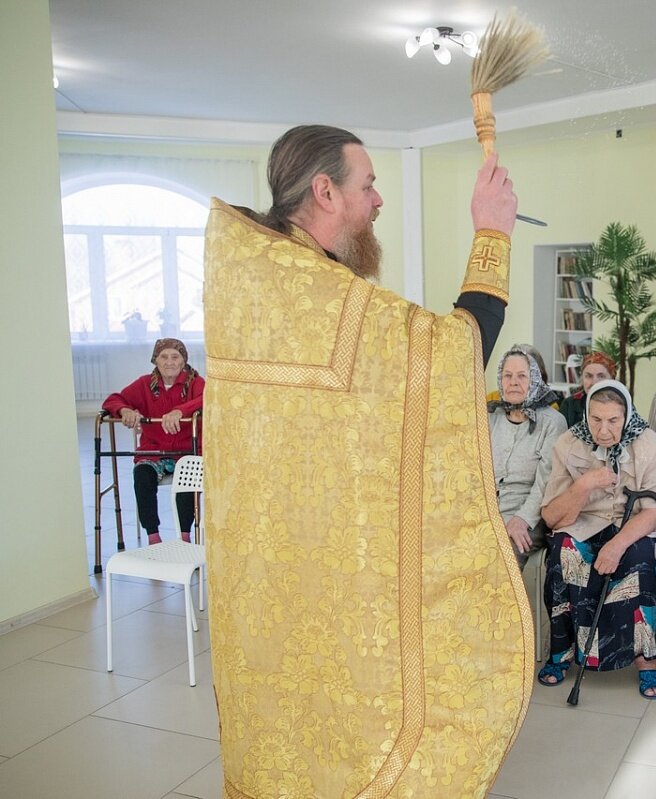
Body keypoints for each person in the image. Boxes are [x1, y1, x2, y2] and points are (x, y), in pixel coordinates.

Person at [202, 125, 529, 797]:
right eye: (369, 184)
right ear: (325, 190)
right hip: (313, 564)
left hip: (273, 572)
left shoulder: (252, 284)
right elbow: (452, 355)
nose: (378, 200)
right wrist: (491, 234)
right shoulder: (320, 295)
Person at [539, 380, 656, 698]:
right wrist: (582, 486)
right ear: (586, 415)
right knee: (563, 551)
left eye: (613, 420)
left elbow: (654, 510)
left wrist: (616, 545)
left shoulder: (649, 444)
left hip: (634, 525)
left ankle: (645, 661)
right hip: (584, 523)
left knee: (640, 561)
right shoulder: (567, 444)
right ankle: (562, 654)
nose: (604, 429)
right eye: (596, 419)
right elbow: (551, 517)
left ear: (626, 416)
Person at [102, 338, 204, 545]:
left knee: (186, 478)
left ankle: (184, 538)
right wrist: (125, 410)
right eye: (163, 357)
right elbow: (113, 399)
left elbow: (209, 398)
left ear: (183, 360)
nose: (169, 362)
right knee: (142, 476)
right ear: (155, 360)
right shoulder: (144, 384)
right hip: (153, 452)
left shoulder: (195, 383)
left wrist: (179, 411)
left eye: (175, 357)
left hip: (187, 451)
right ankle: (153, 537)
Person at [489, 345, 568, 569]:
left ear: (534, 380)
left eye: (522, 376)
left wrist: (522, 519)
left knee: (501, 561)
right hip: (486, 510)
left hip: (527, 514)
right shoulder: (490, 417)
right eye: (507, 375)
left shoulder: (553, 422)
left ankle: (504, 606)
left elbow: (546, 482)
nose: (513, 382)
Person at [559, 351, 617, 428]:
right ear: (582, 379)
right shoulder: (569, 405)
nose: (594, 382)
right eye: (588, 376)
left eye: (601, 376)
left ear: (612, 379)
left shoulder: (622, 404)